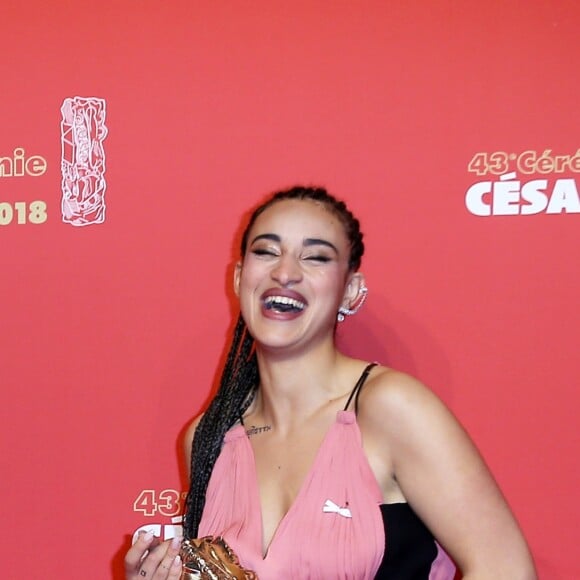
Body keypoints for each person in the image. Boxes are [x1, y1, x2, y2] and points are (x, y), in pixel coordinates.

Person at [125, 186, 537, 579]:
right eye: (266, 252)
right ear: (238, 279)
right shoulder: (208, 436)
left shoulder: (391, 407)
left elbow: (507, 570)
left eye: (316, 258)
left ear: (350, 291)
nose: (285, 272)